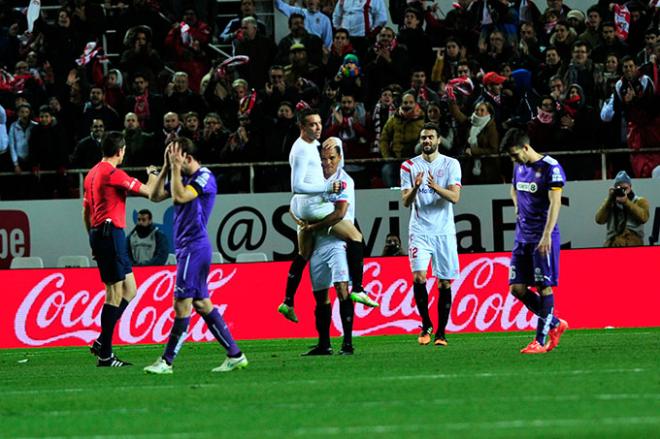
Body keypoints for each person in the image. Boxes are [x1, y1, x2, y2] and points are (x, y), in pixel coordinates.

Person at [144, 138, 248, 374]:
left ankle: (166, 362)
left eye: (175, 157)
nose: (173, 162)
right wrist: (164, 167)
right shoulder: (181, 177)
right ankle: (235, 355)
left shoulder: (204, 177)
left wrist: (174, 170)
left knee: (182, 304)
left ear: (187, 158)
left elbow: (180, 197)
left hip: (194, 247)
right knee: (202, 303)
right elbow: (154, 195)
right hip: (185, 248)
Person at [277, 108, 377, 324]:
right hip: (313, 205)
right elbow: (296, 186)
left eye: (320, 123)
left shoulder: (314, 145)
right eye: (312, 124)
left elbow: (330, 147)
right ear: (302, 127)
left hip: (304, 207)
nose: (318, 127)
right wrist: (326, 190)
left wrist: (331, 139)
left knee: (303, 253)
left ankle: (288, 302)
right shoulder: (302, 149)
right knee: (356, 236)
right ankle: (358, 288)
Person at [84, 132, 158, 367]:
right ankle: (105, 354)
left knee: (131, 289)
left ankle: (102, 341)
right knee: (114, 294)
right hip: (110, 234)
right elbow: (150, 193)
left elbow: (85, 211)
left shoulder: (92, 174)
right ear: (121, 151)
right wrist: (154, 175)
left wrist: (92, 240)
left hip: (100, 233)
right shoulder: (113, 174)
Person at [500, 128, 569, 354]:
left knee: (543, 286)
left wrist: (547, 233)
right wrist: (517, 205)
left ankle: (539, 340)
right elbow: (513, 188)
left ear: (526, 147)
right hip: (522, 236)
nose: (513, 159)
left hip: (542, 237)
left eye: (514, 154)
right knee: (516, 288)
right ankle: (556, 324)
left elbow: (556, 202)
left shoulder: (551, 167)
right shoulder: (518, 166)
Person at [400, 123, 461, 347]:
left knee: (444, 282)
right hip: (420, 230)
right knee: (419, 277)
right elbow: (406, 201)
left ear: (438, 140)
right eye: (424, 138)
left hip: (443, 231)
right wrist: (416, 188)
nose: (427, 141)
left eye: (431, 137)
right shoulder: (408, 166)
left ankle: (442, 333)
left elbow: (455, 198)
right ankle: (426, 324)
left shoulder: (451, 164)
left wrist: (435, 187)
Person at [296, 142, 358, 355]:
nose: (327, 163)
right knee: (320, 295)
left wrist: (313, 225)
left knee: (342, 289)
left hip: (336, 241)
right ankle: (324, 344)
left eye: (332, 158)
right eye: (324, 159)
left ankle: (348, 343)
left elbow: (340, 213)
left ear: (339, 159)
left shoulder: (343, 181)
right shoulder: (313, 179)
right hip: (317, 242)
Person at [594, 171, 650, 247]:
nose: (623, 191)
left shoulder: (639, 201)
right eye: (620, 189)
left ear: (630, 187)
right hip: (613, 241)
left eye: (625, 188)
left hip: (633, 241)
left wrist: (626, 202)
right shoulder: (610, 202)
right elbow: (599, 220)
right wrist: (609, 199)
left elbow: (644, 218)